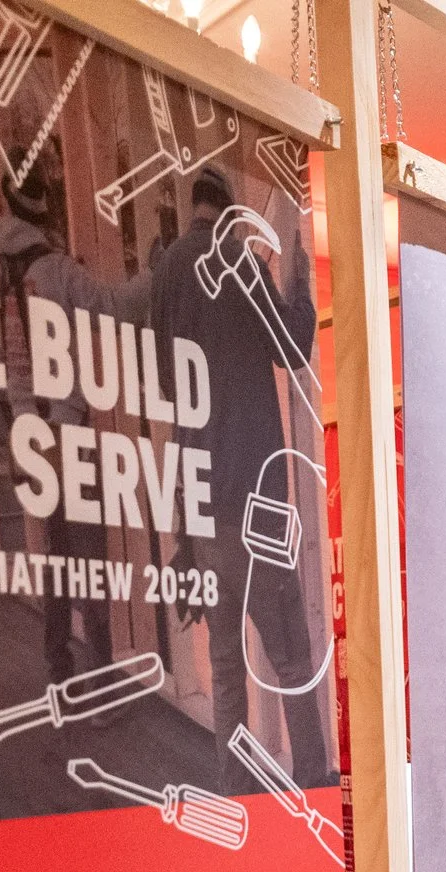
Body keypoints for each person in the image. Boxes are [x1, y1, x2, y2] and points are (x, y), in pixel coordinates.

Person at [148, 167, 331, 791]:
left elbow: (167, 386)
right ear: (228, 211)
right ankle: (315, 791)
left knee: (226, 668)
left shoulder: (168, 273)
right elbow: (294, 343)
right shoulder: (236, 259)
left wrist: (178, 534)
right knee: (291, 658)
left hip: (201, 502)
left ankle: (237, 797)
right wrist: (298, 280)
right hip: (254, 499)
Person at [0, 150, 154, 685]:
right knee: (90, 560)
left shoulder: (1, 268)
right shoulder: (55, 270)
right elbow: (112, 305)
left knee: (56, 558)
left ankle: (59, 670)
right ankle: (101, 676)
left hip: (25, 431)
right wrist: (152, 272)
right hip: (64, 432)